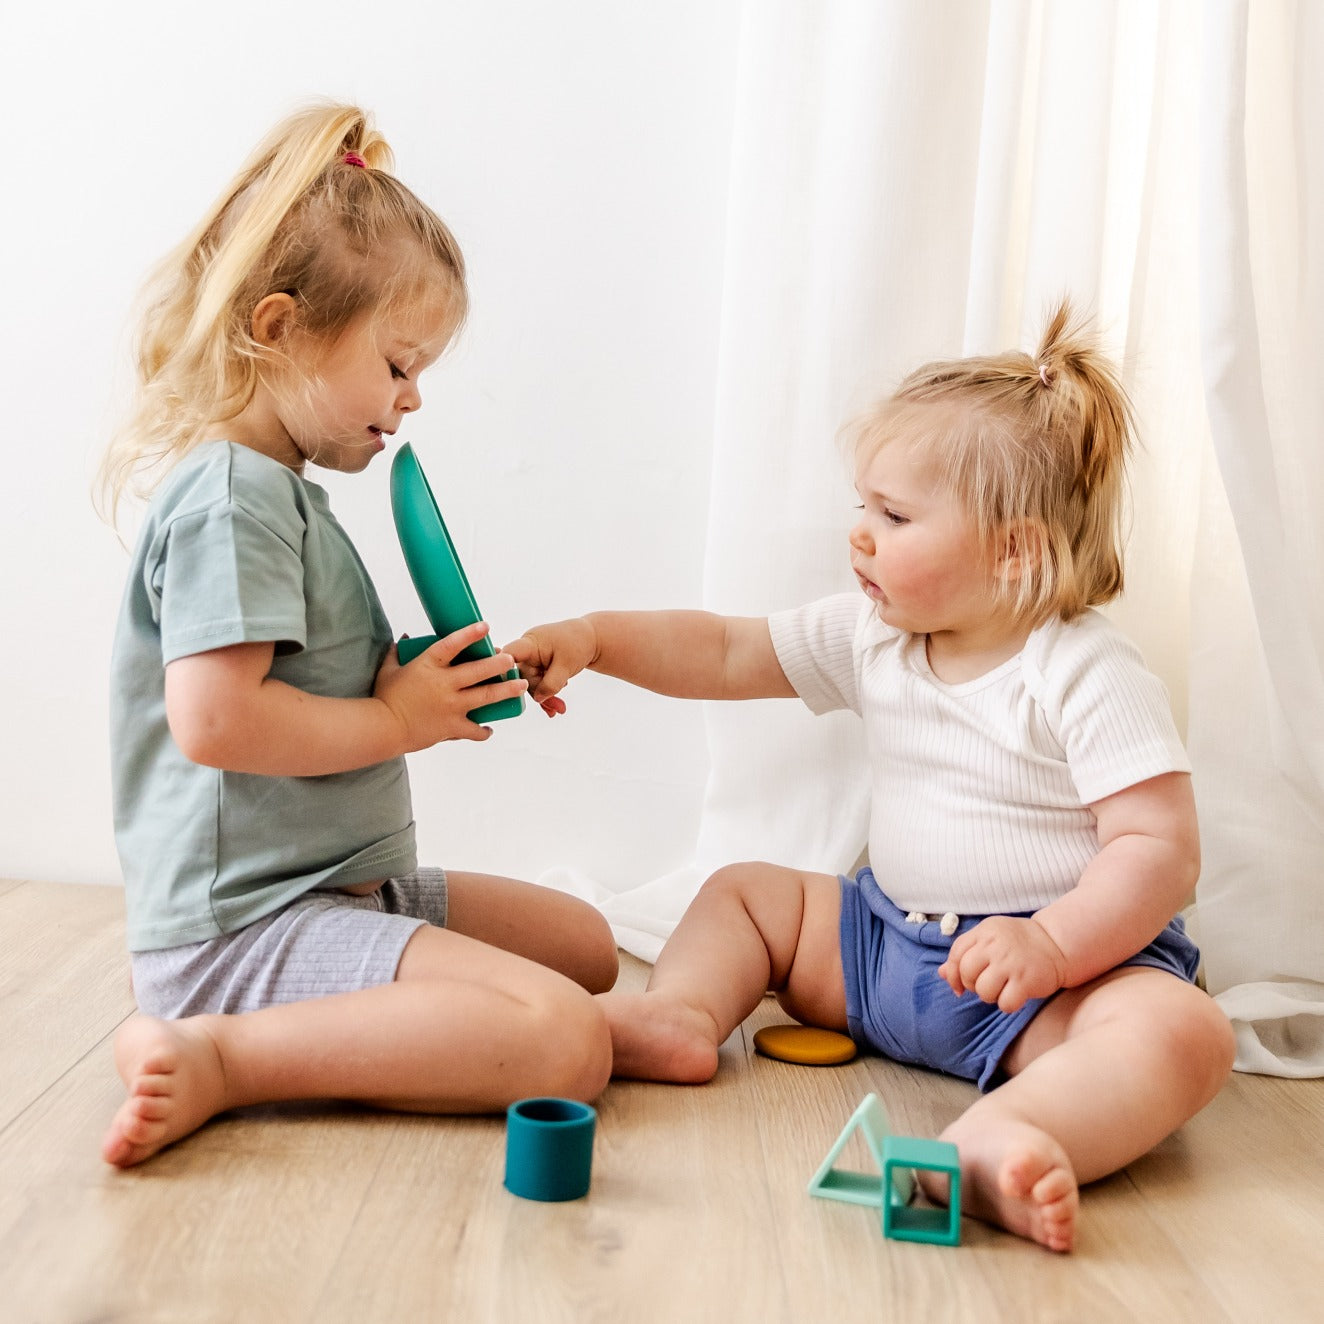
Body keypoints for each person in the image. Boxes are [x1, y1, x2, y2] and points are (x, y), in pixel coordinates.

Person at [507, 302, 1236, 1252]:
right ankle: (679, 1016)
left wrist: (1052, 947)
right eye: (865, 507)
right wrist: (596, 640)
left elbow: (1160, 850)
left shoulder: (1085, 672)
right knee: (745, 894)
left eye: (893, 516)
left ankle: (1009, 1134)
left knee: (1182, 1033)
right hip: (883, 949)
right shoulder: (875, 636)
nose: (860, 535)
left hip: (1040, 992)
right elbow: (728, 651)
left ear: (1013, 551)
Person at [97, 103, 616, 1169]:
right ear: (280, 326)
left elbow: (301, 679)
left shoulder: (276, 494)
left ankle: (445, 1022)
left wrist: (421, 683)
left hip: (332, 885)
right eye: (395, 363)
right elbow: (215, 719)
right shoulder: (231, 500)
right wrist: (394, 718)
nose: (412, 396)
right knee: (562, 1037)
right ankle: (223, 1055)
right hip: (249, 922)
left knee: (589, 948)